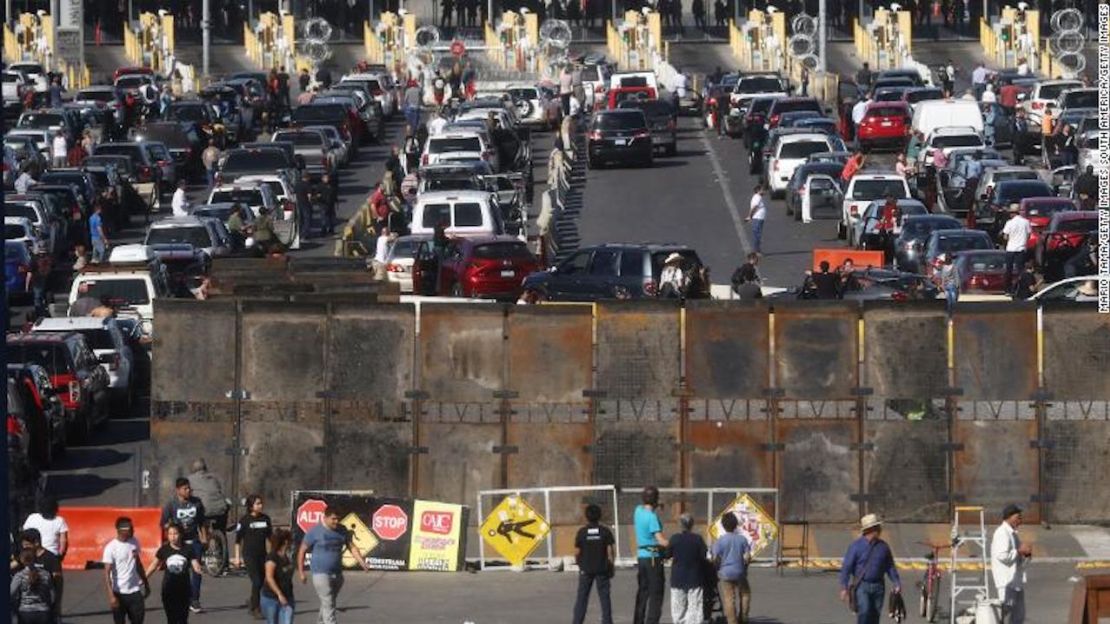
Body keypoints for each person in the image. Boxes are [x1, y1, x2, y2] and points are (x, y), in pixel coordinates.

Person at [297, 506, 372, 624]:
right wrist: (301, 572)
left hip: (337, 573)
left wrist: (362, 562)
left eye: (338, 519)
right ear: (325, 517)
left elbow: (351, 547)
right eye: (333, 519)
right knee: (328, 602)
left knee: (328, 602)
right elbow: (302, 550)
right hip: (320, 572)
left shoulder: (342, 530)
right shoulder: (315, 531)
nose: (336, 522)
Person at [839, 513, 901, 624]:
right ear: (871, 530)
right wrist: (844, 587)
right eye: (877, 528)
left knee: (875, 615)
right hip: (862, 585)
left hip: (879, 586)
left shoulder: (883, 547)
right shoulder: (856, 546)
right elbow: (847, 567)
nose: (880, 530)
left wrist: (896, 582)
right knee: (864, 611)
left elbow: (890, 566)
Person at [160, 478, 207, 613]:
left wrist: (204, 538)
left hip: (194, 541)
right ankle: (179, 596)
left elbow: (202, 522)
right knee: (180, 571)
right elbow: (163, 523)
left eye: (189, 488)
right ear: (178, 490)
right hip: (179, 543)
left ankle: (195, 600)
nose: (188, 491)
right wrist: (171, 528)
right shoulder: (171, 504)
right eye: (185, 489)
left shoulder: (196, 502)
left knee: (197, 571)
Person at [145, 522, 203, 624]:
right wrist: (144, 578)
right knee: (171, 619)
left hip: (184, 589)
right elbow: (154, 565)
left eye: (175, 534)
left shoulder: (188, 549)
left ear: (180, 534)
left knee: (183, 619)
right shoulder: (164, 549)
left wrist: (198, 568)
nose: (173, 537)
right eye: (170, 534)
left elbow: (195, 563)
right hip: (168, 588)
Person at [571, 504, 615, 624]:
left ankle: (577, 621)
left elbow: (577, 552)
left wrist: (579, 564)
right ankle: (607, 621)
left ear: (586, 516)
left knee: (582, 598)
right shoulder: (605, 531)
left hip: (586, 569)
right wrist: (612, 566)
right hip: (602, 569)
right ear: (599, 516)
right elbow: (610, 551)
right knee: (605, 598)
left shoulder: (582, 532)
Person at [102, 516, 150, 624]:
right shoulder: (111, 548)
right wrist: (111, 596)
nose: (133, 530)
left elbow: (138, 564)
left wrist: (146, 583)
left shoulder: (134, 542)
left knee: (138, 620)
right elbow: (106, 573)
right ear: (121, 530)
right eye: (130, 528)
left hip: (135, 592)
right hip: (119, 594)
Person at [232, 494, 273, 619]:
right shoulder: (244, 520)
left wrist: (273, 555)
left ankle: (252, 601)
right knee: (257, 581)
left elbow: (270, 539)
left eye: (261, 503)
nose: (260, 506)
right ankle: (256, 608)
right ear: (251, 506)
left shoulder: (266, 519)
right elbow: (237, 541)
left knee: (262, 582)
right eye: (257, 503)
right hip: (249, 556)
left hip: (262, 555)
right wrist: (237, 558)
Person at [633, 486, 668, 624]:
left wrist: (656, 504)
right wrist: (674, 542)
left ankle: (638, 621)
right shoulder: (652, 517)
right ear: (656, 500)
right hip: (653, 556)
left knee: (643, 591)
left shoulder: (638, 511)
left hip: (641, 556)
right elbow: (661, 540)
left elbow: (646, 505)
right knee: (656, 594)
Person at [991, 504, 1030, 624]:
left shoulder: (1012, 534)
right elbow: (1002, 556)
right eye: (1018, 517)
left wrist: (1026, 554)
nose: (1020, 520)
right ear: (1009, 517)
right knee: (1005, 612)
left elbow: (1018, 556)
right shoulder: (1002, 533)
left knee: (1019, 615)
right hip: (1007, 583)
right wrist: (1019, 551)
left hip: (1015, 582)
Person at [712, 511, 752, 624]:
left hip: (725, 572)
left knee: (729, 598)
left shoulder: (720, 541)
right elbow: (747, 557)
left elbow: (715, 558)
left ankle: (732, 621)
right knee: (745, 593)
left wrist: (716, 568)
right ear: (736, 525)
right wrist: (745, 566)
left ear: (723, 526)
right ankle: (743, 618)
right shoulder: (742, 540)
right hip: (740, 572)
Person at [668, 513, 707, 624]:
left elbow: (667, 554)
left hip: (677, 578)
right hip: (694, 577)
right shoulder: (698, 539)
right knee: (695, 607)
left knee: (678, 608)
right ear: (692, 524)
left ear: (680, 525)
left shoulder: (674, 539)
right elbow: (703, 555)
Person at [17, 528, 63, 621]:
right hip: (26, 606)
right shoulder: (25, 556)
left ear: (37, 543)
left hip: (45, 606)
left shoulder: (50, 558)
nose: (24, 547)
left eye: (26, 545)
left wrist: (57, 603)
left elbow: (58, 582)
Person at [11, 547, 55, 624]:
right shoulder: (45, 574)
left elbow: (12, 593)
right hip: (43, 611)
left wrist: (15, 607)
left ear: (22, 560)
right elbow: (52, 595)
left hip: (25, 612)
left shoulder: (19, 576)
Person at [261, 529, 295, 624]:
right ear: (285, 541)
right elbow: (269, 577)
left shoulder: (288, 557)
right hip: (271, 597)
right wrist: (279, 594)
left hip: (288, 595)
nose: (291, 543)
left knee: (287, 621)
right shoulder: (272, 557)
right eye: (289, 540)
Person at [1001, 204, 1032, 294]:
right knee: (1020, 270)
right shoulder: (1026, 222)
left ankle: (1008, 289)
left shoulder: (1009, 223)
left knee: (1009, 270)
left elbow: (1005, 236)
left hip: (1011, 249)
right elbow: (1029, 235)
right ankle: (1021, 288)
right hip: (1021, 249)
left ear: (1012, 213)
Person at [745, 185, 767, 254]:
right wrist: (749, 216)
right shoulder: (757, 197)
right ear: (758, 191)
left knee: (757, 234)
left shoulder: (758, 197)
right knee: (757, 235)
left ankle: (757, 250)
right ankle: (756, 251)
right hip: (758, 218)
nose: (763, 191)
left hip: (759, 218)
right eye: (762, 190)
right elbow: (754, 207)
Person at [295, 171, 314, 240]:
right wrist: (311, 202)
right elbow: (309, 195)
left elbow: (294, 193)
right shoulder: (307, 184)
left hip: (298, 203)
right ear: (307, 177)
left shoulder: (297, 184)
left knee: (300, 219)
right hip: (306, 203)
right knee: (307, 219)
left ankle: (299, 233)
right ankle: (305, 234)